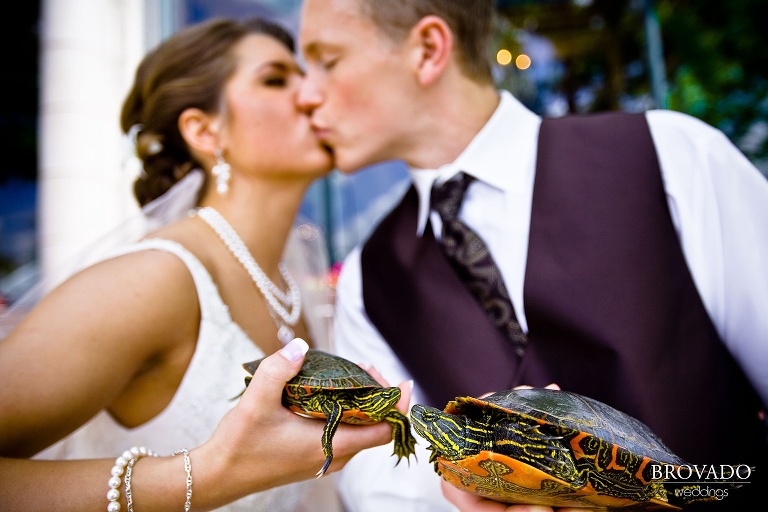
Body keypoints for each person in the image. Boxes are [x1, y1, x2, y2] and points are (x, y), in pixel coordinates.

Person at [296, 0, 768, 511]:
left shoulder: (670, 157)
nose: (305, 94)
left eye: (328, 60)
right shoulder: (369, 280)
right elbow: (379, 486)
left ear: (429, 50)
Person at [0, 17, 409, 512]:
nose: (312, 94)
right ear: (203, 129)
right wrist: (208, 474)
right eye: (276, 79)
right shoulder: (151, 280)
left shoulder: (294, 290)